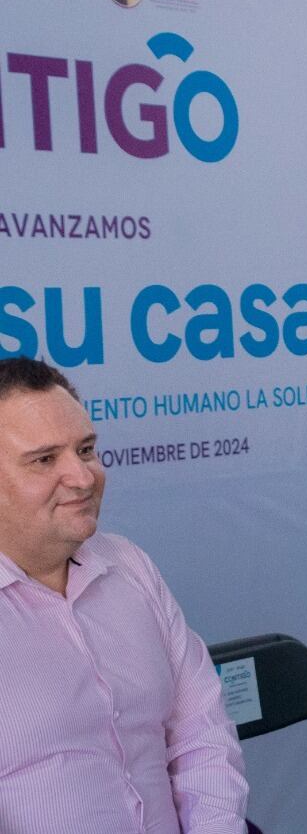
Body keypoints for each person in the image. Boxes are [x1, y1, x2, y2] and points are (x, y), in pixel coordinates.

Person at [0, 357, 248, 833]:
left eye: (86, 450)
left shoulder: (129, 566)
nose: (83, 477)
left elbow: (202, 735)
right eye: (45, 459)